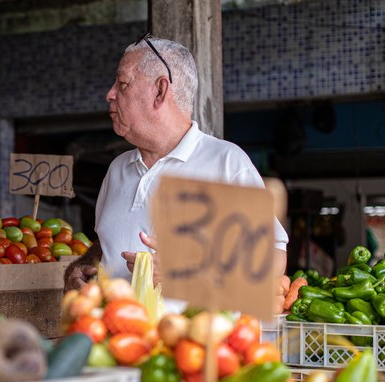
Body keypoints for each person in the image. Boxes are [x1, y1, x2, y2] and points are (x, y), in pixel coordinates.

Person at [64, 34, 289, 312]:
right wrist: (86, 262)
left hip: (190, 350)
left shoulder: (225, 163)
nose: (109, 94)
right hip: (118, 345)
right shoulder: (118, 169)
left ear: (160, 91)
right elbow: (111, 240)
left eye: (122, 84)